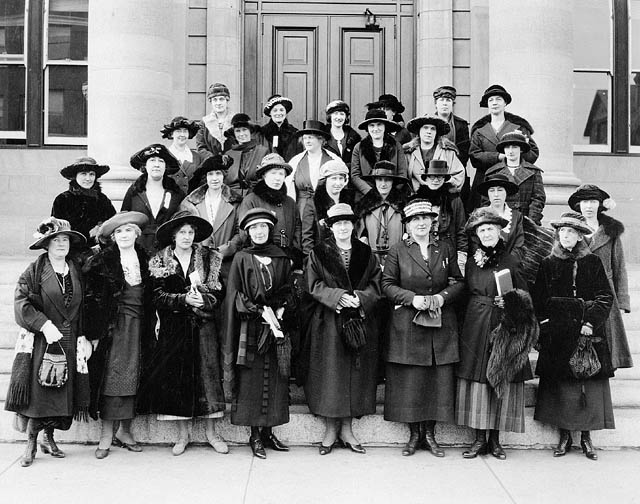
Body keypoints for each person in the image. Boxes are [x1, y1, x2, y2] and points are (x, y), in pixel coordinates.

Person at [381, 198, 464, 457]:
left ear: (432, 222)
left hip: (440, 323)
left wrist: (443, 297)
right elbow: (387, 284)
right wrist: (411, 298)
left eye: (425, 219)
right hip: (409, 323)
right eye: (415, 219)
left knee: (436, 381)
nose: (421, 223)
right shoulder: (398, 250)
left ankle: (430, 433)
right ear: (407, 224)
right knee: (412, 381)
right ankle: (414, 434)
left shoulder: (445, 248)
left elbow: (458, 282)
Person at [532, 211, 615, 460]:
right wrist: (546, 324)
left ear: (580, 236)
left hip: (586, 333)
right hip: (558, 335)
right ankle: (565, 436)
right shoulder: (548, 263)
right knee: (561, 387)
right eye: (562, 231)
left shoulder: (592, 262)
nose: (565, 236)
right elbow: (539, 299)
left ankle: (587, 438)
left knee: (587, 386)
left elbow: (605, 297)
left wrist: (589, 321)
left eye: (571, 232)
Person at [144, 212, 227, 456]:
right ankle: (183, 435)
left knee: (209, 377)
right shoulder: (160, 260)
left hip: (203, 326)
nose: (187, 237)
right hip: (175, 327)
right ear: (174, 235)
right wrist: (181, 299)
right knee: (178, 378)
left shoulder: (209, 257)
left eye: (191, 232)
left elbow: (218, 291)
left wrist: (204, 300)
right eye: (182, 232)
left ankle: (212, 434)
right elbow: (156, 295)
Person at [456, 207, 536, 460]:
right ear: (476, 235)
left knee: (500, 376)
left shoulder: (511, 261)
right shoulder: (471, 262)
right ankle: (479, 438)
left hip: (504, 325)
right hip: (476, 325)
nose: (487, 233)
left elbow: (526, 298)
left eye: (491, 228)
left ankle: (496, 440)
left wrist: (511, 302)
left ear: (499, 231)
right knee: (478, 378)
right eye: (482, 230)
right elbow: (464, 294)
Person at [7, 218, 88, 467]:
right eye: (56, 240)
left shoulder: (75, 269)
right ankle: (31, 444)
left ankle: (49, 438)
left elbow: (83, 306)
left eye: (65, 240)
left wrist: (84, 335)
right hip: (43, 340)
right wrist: (43, 324)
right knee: (41, 395)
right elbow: (21, 301)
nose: (62, 244)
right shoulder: (35, 270)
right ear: (47, 245)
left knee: (62, 395)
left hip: (68, 338)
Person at [304, 204, 381, 455]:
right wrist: (337, 297)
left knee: (354, 376)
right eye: (338, 224)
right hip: (329, 321)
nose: (343, 228)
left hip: (357, 320)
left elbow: (376, 283)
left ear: (353, 225)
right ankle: (329, 430)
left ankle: (347, 430)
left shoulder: (365, 253)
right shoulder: (319, 252)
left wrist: (361, 297)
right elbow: (312, 285)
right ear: (331, 227)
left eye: (347, 223)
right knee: (330, 375)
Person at [222, 208, 297, 459]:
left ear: (270, 229)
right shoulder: (242, 258)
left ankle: (268, 432)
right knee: (253, 382)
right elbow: (235, 294)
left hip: (276, 326)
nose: (259, 231)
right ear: (248, 232)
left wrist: (282, 309)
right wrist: (259, 311)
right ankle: (255, 434)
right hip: (252, 325)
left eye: (263, 227)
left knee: (275, 378)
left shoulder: (281, 257)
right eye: (254, 228)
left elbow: (288, 288)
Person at [83, 211, 152, 460]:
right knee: (112, 376)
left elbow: (152, 295)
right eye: (119, 232)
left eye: (129, 231)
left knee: (136, 375)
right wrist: (92, 332)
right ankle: (105, 434)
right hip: (114, 328)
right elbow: (92, 300)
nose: (124, 235)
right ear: (113, 237)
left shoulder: (145, 259)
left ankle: (125, 431)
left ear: (137, 234)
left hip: (140, 325)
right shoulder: (102, 261)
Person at [568, 184, 633, 370]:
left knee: (607, 337)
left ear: (600, 205)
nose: (588, 206)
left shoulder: (610, 232)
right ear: (578, 205)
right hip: (578, 291)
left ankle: (606, 370)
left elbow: (619, 267)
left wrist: (622, 301)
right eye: (585, 202)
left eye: (593, 202)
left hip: (606, 292)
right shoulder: (571, 230)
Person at [468, 84, 539, 212]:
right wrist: (498, 156)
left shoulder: (519, 128)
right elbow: (474, 156)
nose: (494, 103)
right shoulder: (479, 131)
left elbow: (533, 153)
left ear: (505, 103)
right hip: (486, 179)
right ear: (487, 104)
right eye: (491, 100)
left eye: (498, 99)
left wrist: (515, 154)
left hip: (514, 178)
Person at [179, 154, 243, 281]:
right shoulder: (190, 203)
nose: (214, 178)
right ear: (205, 177)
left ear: (224, 175)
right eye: (210, 174)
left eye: (218, 173)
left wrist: (225, 249)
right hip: (196, 264)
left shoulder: (236, 202)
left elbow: (239, 232)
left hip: (226, 265)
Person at [239, 153, 302, 267]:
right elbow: (245, 233)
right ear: (264, 175)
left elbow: (297, 230)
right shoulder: (251, 200)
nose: (277, 178)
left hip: (287, 262)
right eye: (273, 173)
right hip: (260, 260)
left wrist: (293, 257)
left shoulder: (290, 203)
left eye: (281, 174)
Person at [122, 144, 185, 255]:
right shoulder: (134, 192)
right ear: (145, 166)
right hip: (138, 250)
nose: (156, 165)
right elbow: (124, 219)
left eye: (161, 161)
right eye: (152, 160)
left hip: (168, 251)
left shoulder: (176, 193)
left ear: (166, 166)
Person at [51, 157, 116, 249]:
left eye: (92, 174)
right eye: (83, 174)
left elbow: (113, 221)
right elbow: (56, 229)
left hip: (99, 250)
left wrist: (101, 228)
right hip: (71, 251)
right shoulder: (63, 199)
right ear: (75, 176)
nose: (88, 178)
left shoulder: (102, 199)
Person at [414, 160, 467, 272]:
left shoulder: (454, 200)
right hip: (424, 253)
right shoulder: (417, 201)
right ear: (426, 179)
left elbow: (462, 230)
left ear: (444, 179)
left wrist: (461, 257)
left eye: (440, 177)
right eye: (432, 177)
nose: (436, 180)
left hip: (449, 252)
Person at [484, 131, 546, 225]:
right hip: (500, 221)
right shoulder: (493, 172)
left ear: (521, 149)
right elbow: (486, 201)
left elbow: (538, 199)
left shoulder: (533, 172)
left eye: (514, 147)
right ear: (503, 150)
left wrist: (530, 222)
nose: (511, 151)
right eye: (507, 147)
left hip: (525, 221)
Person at [355, 160, 407, 266]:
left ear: (393, 181)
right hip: (371, 261)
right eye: (379, 179)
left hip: (398, 260)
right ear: (374, 180)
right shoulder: (364, 206)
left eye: (387, 180)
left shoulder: (404, 206)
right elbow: (359, 235)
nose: (383, 184)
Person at [286, 120, 341, 218]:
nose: (307, 141)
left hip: (326, 207)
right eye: (305, 138)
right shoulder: (296, 161)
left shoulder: (333, 160)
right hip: (302, 209)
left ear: (320, 139)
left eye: (310, 138)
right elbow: (289, 188)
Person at [301, 159, 355, 258]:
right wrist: (311, 260)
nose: (338, 183)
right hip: (322, 256)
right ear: (325, 180)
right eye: (334, 178)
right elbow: (307, 236)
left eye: (341, 178)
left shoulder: (350, 200)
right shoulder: (313, 203)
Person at [351, 109, 408, 199]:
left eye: (379, 125)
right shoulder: (359, 147)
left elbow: (402, 174)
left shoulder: (396, 146)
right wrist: (370, 193)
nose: (376, 129)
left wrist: (388, 192)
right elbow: (355, 176)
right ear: (367, 128)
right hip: (366, 196)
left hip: (392, 195)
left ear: (385, 126)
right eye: (372, 125)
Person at [405, 115, 465, 193]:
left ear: (436, 133)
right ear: (419, 131)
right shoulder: (409, 153)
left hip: (442, 197)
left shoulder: (448, 152)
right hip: (416, 198)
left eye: (433, 129)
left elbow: (458, 176)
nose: (429, 132)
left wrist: (445, 184)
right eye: (425, 128)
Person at [471, 173, 524, 258]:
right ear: (488, 194)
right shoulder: (479, 215)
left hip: (510, 265)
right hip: (485, 265)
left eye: (500, 190)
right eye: (492, 190)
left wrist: (508, 263)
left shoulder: (516, 216)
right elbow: (475, 243)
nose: (496, 194)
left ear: (506, 192)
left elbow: (519, 244)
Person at [222, 113, 269, 197]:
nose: (241, 134)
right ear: (234, 134)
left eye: (244, 130)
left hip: (256, 196)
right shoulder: (228, 154)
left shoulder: (262, 152)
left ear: (250, 131)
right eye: (238, 131)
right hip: (232, 198)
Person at [161, 116, 206, 195]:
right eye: (178, 131)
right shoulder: (163, 156)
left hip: (191, 204)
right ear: (171, 134)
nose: (182, 135)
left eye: (185, 131)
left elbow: (202, 184)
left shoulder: (197, 157)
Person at [432, 86, 470, 170]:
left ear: (452, 104)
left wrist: (454, 168)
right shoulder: (427, 123)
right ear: (435, 104)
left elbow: (464, 152)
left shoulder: (461, 125)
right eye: (441, 100)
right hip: (431, 169)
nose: (445, 103)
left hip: (455, 169)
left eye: (448, 100)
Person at [195, 82, 233, 158]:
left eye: (221, 99)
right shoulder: (204, 123)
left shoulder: (235, 121)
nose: (218, 103)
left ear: (227, 100)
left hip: (235, 164)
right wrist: (215, 160)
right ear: (211, 102)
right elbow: (201, 148)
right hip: (212, 165)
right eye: (215, 100)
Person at [261, 94, 301, 161]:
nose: (278, 113)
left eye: (281, 110)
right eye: (275, 110)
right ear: (270, 113)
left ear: (286, 112)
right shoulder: (262, 133)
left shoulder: (294, 133)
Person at [323, 100, 361, 167]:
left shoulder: (354, 138)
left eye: (342, 114)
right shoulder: (322, 137)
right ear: (330, 116)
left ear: (346, 117)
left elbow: (357, 162)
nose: (339, 117)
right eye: (336, 113)